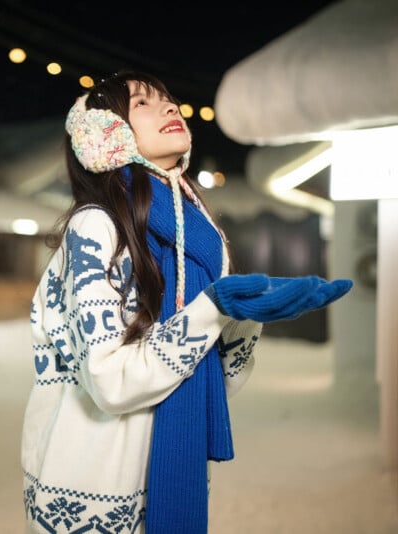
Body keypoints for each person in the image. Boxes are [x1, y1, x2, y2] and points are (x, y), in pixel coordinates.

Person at [20, 71, 352, 534]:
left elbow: (214, 381)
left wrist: (245, 314)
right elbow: (110, 382)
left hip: (164, 470)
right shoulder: (95, 228)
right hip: (93, 484)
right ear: (105, 133)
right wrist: (214, 307)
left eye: (169, 101)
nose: (170, 108)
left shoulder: (198, 236)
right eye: (142, 103)